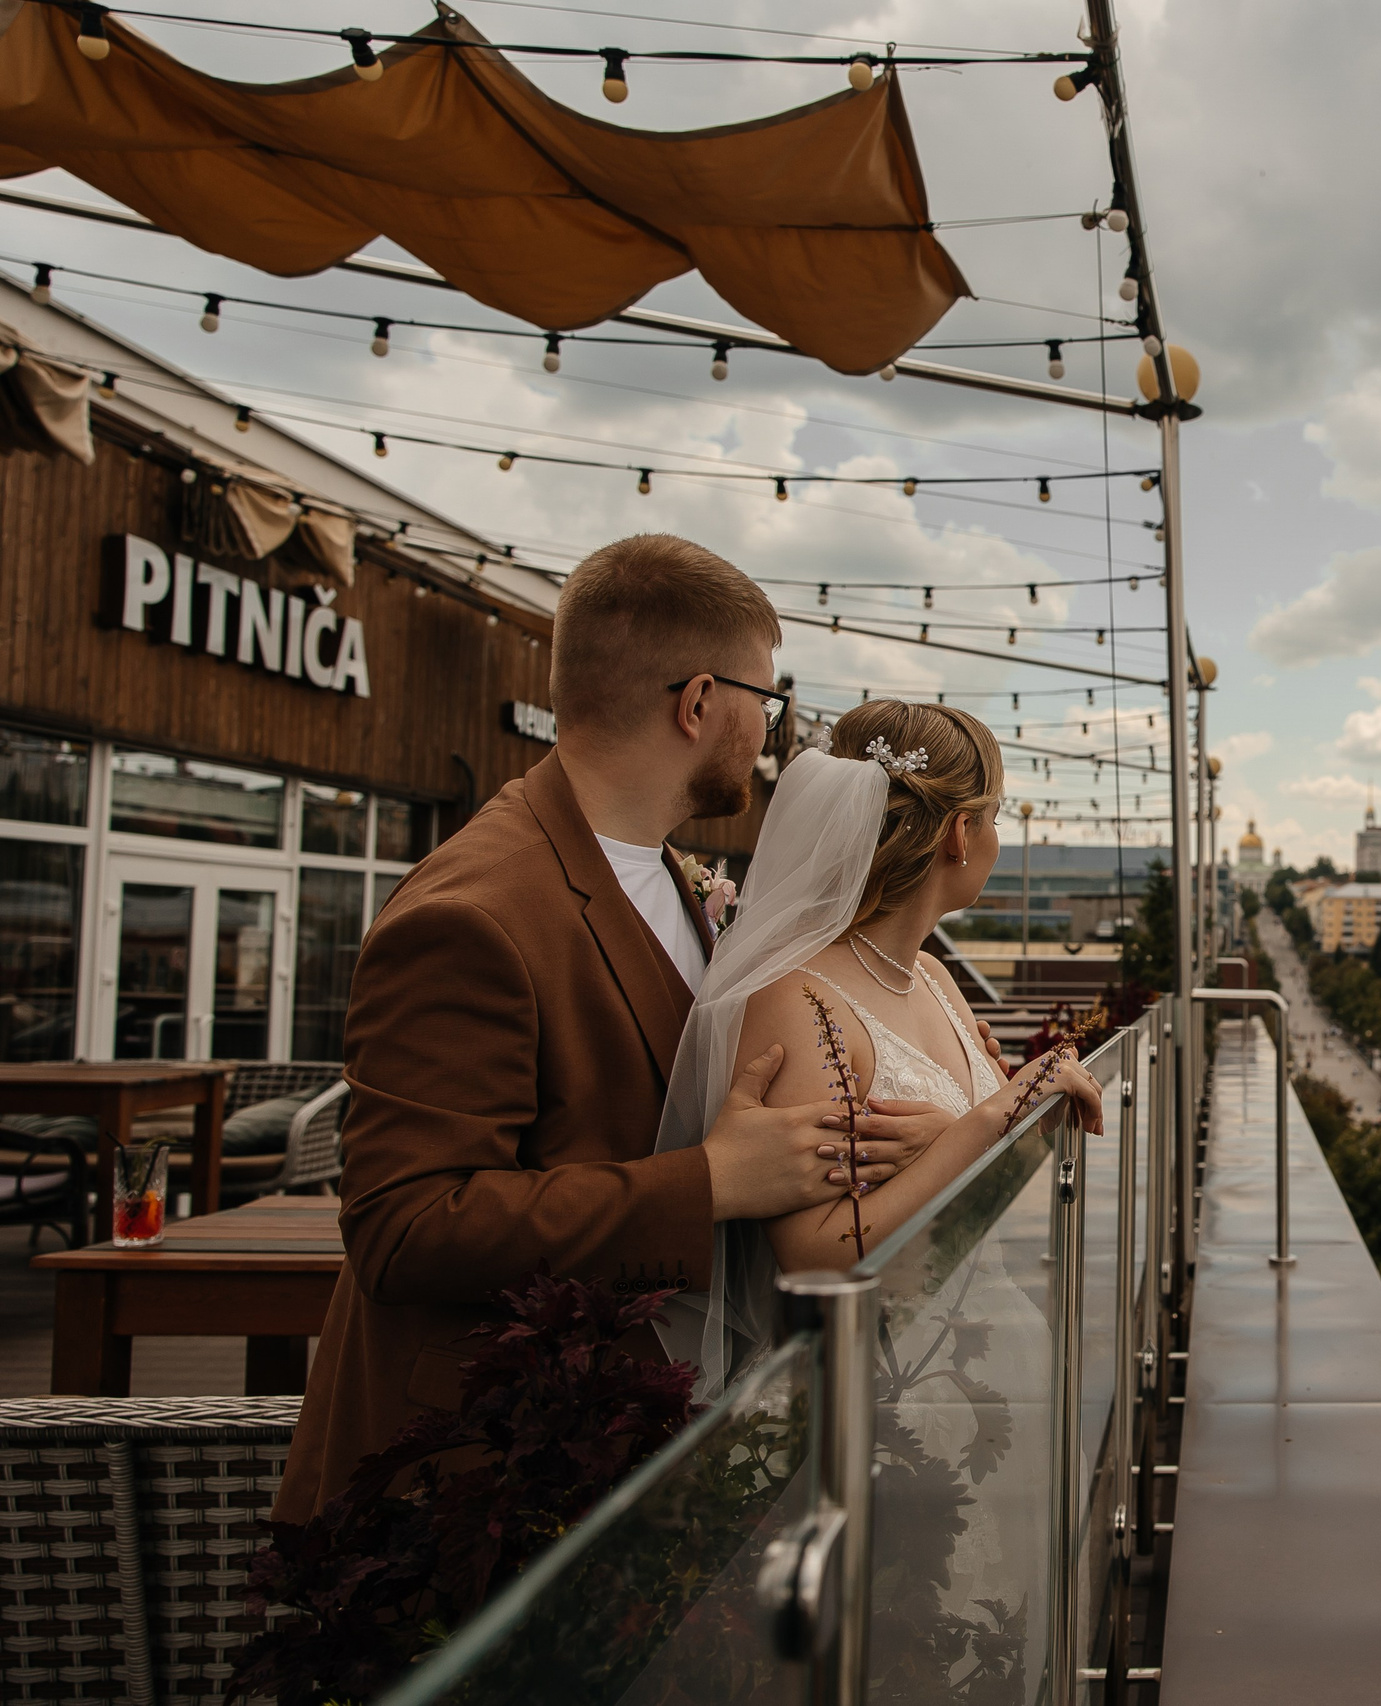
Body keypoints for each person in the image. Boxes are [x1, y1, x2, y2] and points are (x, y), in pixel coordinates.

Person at [277, 536, 891, 1523]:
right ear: (699, 701)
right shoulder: (473, 911)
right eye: (765, 703)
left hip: (623, 1447)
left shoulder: (662, 870)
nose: (768, 734)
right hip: (481, 1485)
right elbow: (404, 1226)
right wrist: (711, 1181)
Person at [654, 698, 1104, 1389]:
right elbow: (818, 1257)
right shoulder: (798, 1000)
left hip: (968, 1347)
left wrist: (955, 1132)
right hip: (874, 1382)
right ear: (960, 833)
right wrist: (989, 1118)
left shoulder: (933, 975)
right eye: (994, 817)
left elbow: (971, 1159)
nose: (996, 839)